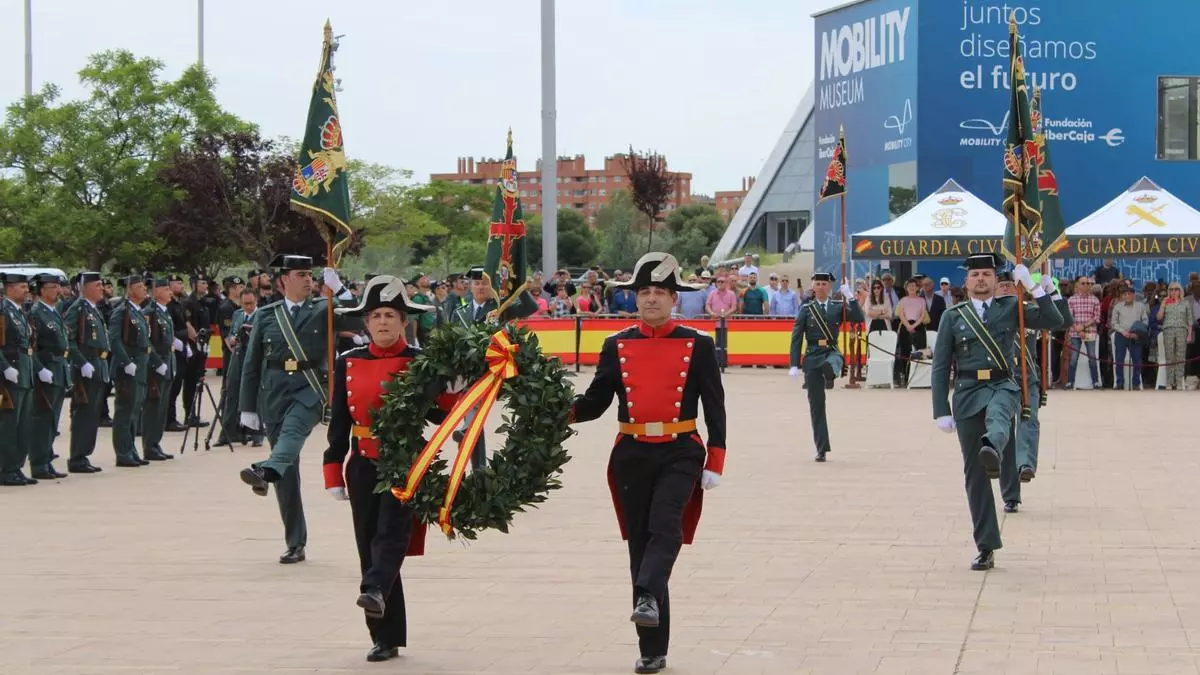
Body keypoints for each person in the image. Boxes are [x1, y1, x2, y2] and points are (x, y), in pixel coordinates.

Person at [569, 252, 726, 675]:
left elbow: (715, 407)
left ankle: (645, 596)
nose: (651, 299)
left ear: (674, 299)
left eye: (660, 292)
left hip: (681, 448)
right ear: (634, 298)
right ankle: (652, 648)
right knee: (640, 544)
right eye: (644, 292)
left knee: (666, 528)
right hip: (632, 452)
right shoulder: (615, 344)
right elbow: (596, 403)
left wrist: (717, 458)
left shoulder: (698, 344)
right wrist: (552, 408)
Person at [322, 275, 446, 662]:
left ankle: (374, 588)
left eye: (391, 314)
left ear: (404, 320)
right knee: (368, 544)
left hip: (405, 460)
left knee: (391, 535)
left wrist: (456, 386)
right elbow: (339, 421)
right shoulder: (349, 362)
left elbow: (440, 412)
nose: (383, 322)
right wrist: (332, 467)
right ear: (366, 323)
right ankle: (385, 636)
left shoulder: (421, 362)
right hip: (362, 463)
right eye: (376, 315)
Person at [931, 254, 1062, 571]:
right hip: (966, 393)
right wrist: (940, 410)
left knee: (1000, 420)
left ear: (995, 279)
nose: (980, 279)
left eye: (987, 274)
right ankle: (986, 545)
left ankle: (993, 449)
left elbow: (1055, 321)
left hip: (1003, 384)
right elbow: (940, 365)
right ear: (967, 281)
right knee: (974, 476)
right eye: (975, 274)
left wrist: (1035, 288)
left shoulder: (1011, 307)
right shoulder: (953, 316)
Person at [238, 254, 353, 564]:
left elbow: (358, 319)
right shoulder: (266, 315)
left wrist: (340, 290)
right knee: (287, 475)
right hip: (274, 392)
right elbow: (251, 364)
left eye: (310, 274)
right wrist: (247, 406)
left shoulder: (324, 309)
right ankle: (295, 542)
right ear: (283, 281)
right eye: (301, 274)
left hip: (311, 389)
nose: (308, 279)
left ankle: (267, 469)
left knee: (293, 432)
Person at [995, 273, 1072, 514]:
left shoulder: (1027, 310)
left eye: (1012, 284)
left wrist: (1051, 292)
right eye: (1003, 285)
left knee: (1029, 420)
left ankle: (1025, 465)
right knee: (1006, 437)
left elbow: (1062, 322)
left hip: (1028, 377)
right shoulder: (990, 313)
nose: (1007, 288)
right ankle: (1011, 494)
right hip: (1002, 379)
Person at [788, 272, 865, 462]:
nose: (821, 287)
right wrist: (794, 364)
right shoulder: (806, 309)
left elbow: (857, 317)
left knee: (835, 360)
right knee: (817, 406)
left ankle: (830, 373)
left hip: (831, 350)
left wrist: (850, 297)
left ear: (829, 287)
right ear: (813, 287)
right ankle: (821, 448)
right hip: (813, 354)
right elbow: (797, 337)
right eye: (818, 283)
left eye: (824, 283)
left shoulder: (837, 306)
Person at [450, 266, 497, 471]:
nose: (480, 287)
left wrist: (516, 286)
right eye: (477, 283)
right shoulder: (460, 312)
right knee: (473, 415)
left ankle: (477, 462)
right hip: (465, 372)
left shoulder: (500, 308)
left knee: (474, 414)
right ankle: (478, 467)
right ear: (470, 286)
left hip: (492, 370)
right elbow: (451, 339)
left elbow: (528, 307)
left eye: (485, 283)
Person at [64, 271, 111, 474]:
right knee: (84, 414)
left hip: (98, 365)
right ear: (85, 288)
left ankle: (83, 455)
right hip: (87, 366)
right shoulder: (79, 308)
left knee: (92, 414)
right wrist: (81, 362)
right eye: (97, 285)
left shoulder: (93, 308)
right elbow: (69, 339)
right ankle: (77, 457)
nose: (101, 288)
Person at [26, 273, 69, 480]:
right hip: (46, 369)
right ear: (42, 290)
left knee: (52, 420)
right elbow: (31, 346)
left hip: (58, 369)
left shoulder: (53, 312)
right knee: (42, 419)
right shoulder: (36, 313)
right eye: (53, 287)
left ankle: (46, 459)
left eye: (58, 287)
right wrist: (39, 368)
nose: (58, 291)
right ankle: (38, 463)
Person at [109, 275, 152, 468]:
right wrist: (125, 361)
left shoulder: (138, 312)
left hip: (140, 366)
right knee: (125, 411)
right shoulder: (122, 311)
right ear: (130, 291)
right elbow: (115, 339)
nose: (144, 289)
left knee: (135, 411)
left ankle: (131, 449)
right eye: (140, 286)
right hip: (129, 367)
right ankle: (123, 452)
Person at [0, 272, 37, 486]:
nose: (26, 290)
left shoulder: (20, 311)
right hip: (11, 373)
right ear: (10, 287)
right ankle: (6, 469)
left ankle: (16, 467)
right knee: (9, 425)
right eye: (22, 287)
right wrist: (4, 367)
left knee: (23, 425)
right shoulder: (3, 310)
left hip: (24, 372)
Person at [141, 278, 181, 462]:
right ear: (156, 292)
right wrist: (157, 363)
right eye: (166, 289)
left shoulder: (164, 312)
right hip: (156, 367)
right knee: (153, 408)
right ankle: (150, 445)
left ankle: (156, 444)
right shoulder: (150, 313)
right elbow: (147, 342)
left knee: (162, 409)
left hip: (168, 364)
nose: (170, 292)